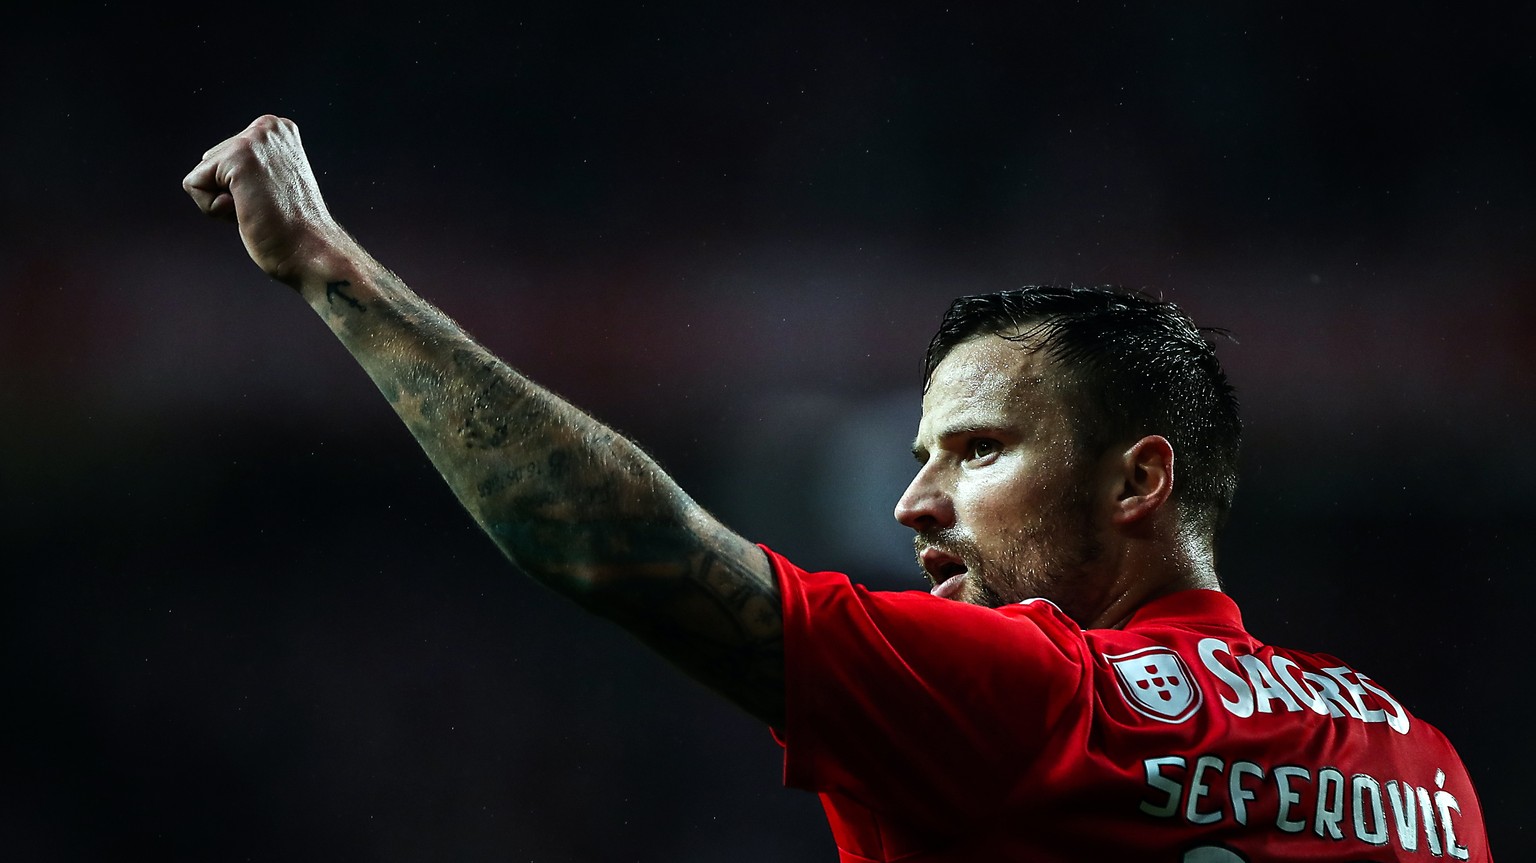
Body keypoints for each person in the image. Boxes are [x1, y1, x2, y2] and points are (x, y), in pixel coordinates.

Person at [183, 115, 1492, 862]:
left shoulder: (1034, 696)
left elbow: (613, 543)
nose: (914, 505)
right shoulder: (1425, 768)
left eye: (977, 454)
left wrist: (331, 272)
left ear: (1140, 479)